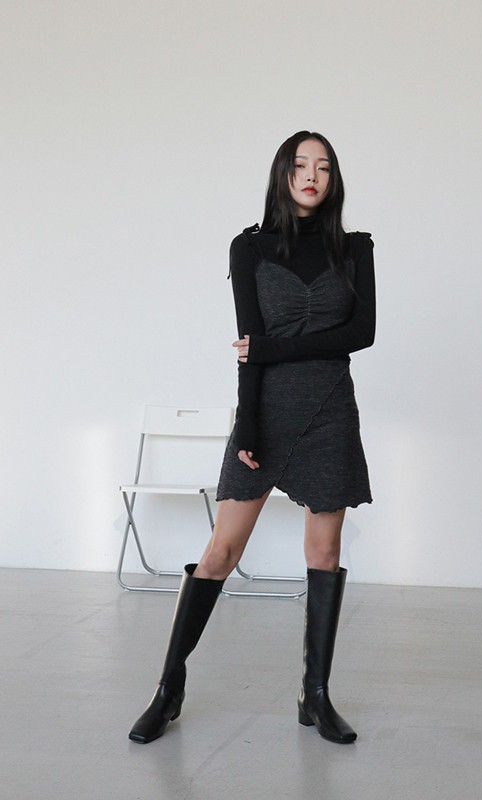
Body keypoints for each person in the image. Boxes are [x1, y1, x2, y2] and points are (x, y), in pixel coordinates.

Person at [128, 130, 376, 746]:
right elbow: (248, 344)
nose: (312, 176)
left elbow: (362, 334)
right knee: (221, 551)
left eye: (324, 167)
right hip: (266, 410)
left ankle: (315, 696)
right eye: (301, 165)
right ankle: (168, 690)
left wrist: (271, 348)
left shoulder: (355, 249)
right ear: (282, 175)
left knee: (323, 552)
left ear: (334, 179)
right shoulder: (250, 248)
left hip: (329, 410)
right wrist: (248, 421)